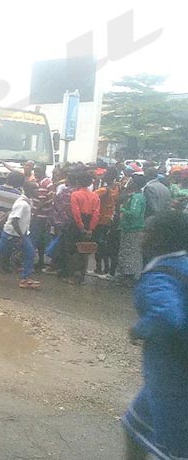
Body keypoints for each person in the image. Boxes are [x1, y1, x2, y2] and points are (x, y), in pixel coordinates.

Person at [122, 211, 188, 460]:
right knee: (133, 425)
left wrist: (138, 329)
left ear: (161, 239)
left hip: (174, 375)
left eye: (147, 232)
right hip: (164, 377)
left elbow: (166, 317)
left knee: (173, 449)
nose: (141, 236)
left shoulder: (160, 275)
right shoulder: (182, 264)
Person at [0, 182, 42, 289]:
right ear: (28, 190)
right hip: (13, 232)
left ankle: (25, 278)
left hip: (18, 232)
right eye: (35, 189)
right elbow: (15, 221)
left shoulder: (27, 201)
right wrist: (21, 236)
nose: (38, 191)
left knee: (29, 252)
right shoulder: (23, 204)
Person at [117, 175, 147, 286]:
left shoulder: (136, 198)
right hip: (130, 228)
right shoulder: (136, 196)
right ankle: (127, 275)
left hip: (132, 228)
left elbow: (134, 213)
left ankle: (129, 276)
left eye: (132, 181)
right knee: (129, 251)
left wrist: (123, 209)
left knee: (130, 252)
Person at [94, 168, 120, 276]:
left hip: (100, 220)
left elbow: (92, 196)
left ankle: (99, 268)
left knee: (99, 245)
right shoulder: (118, 187)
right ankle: (107, 269)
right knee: (107, 244)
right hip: (111, 220)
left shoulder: (103, 190)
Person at [30, 165, 54, 270]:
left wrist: (34, 215)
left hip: (39, 216)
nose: (35, 174)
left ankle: (29, 263)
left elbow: (41, 202)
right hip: (45, 216)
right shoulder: (48, 181)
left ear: (43, 171)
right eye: (35, 171)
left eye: (38, 172)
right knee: (41, 240)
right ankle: (40, 261)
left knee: (33, 240)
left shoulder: (42, 184)